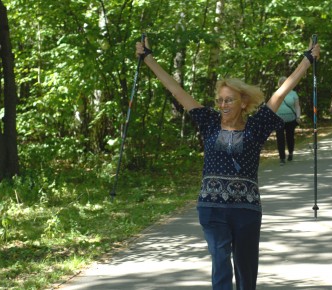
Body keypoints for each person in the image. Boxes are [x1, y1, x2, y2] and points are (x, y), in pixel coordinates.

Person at [136, 37, 320, 290]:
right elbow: (177, 91)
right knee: (221, 260)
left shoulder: (257, 126)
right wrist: (148, 59)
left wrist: (307, 60)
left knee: (246, 268)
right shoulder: (209, 121)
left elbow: (281, 92)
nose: (222, 105)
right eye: (220, 100)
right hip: (211, 207)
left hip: (246, 209)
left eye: (229, 100)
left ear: (243, 102)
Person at [275, 76, 301, 165]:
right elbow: (273, 107)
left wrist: (298, 117)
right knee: (280, 139)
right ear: (279, 84)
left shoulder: (293, 93)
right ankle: (282, 158)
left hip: (291, 119)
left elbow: (297, 106)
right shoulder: (276, 93)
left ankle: (290, 153)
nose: (283, 84)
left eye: (285, 82)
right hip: (278, 119)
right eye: (282, 82)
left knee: (290, 137)